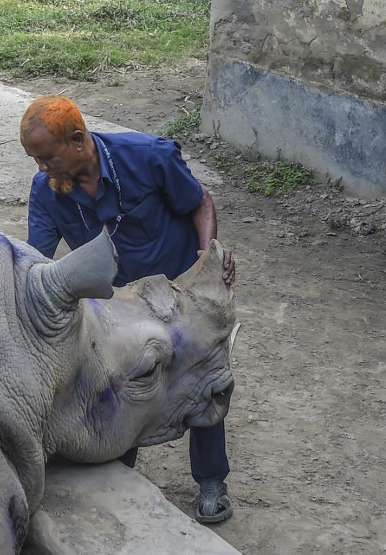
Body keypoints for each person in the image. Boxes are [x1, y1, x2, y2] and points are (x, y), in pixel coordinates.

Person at [20, 94, 236, 524]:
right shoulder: (47, 190)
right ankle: (120, 472)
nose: (42, 169)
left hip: (175, 299)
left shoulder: (146, 156)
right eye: (35, 159)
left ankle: (212, 481)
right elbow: (36, 259)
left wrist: (206, 256)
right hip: (115, 310)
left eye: (47, 158)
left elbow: (200, 203)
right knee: (121, 388)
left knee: (200, 381)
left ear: (79, 140)